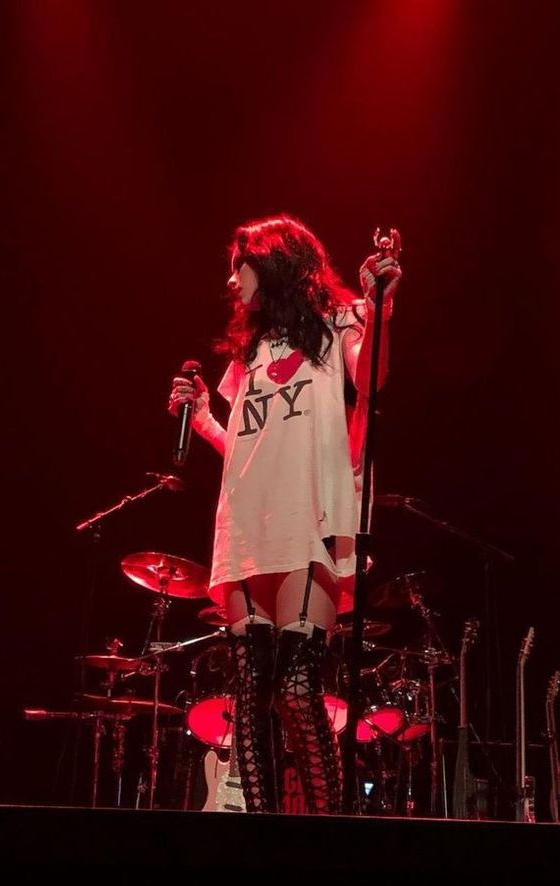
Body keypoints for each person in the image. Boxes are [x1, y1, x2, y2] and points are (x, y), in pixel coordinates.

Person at [168, 215, 400, 814]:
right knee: (251, 694)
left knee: (297, 690)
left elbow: (371, 380)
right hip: (246, 521)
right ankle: (262, 844)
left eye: (240, 263)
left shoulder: (336, 320)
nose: (231, 277)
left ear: (274, 262)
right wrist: (203, 422)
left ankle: (324, 842)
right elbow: (249, 446)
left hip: (306, 517)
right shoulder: (247, 348)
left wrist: (379, 311)